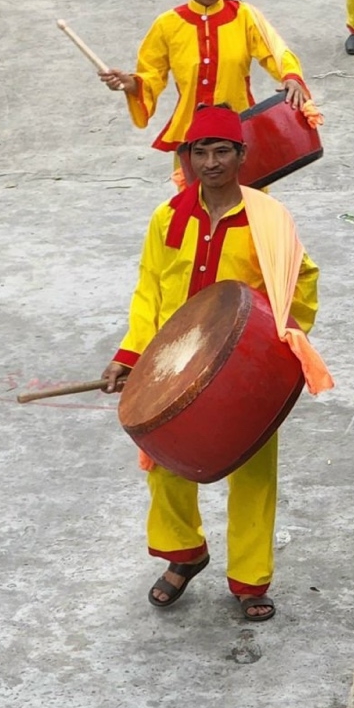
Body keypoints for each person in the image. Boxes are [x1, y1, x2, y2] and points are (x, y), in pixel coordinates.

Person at [101, 103, 328, 622]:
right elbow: (149, 291)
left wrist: (281, 341)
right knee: (164, 465)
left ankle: (251, 580)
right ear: (185, 158)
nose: (210, 162)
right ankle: (184, 555)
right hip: (174, 364)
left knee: (253, 472)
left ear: (241, 154)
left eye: (221, 150)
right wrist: (130, 356)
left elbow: (303, 278)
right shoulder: (167, 218)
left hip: (241, 369)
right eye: (199, 152)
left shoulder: (268, 219)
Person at [100, 0, 313, 147]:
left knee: (245, 181)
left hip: (238, 130)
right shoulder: (167, 24)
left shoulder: (245, 17)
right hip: (191, 135)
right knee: (194, 180)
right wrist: (133, 84)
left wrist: (290, 76)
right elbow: (151, 72)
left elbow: (275, 51)